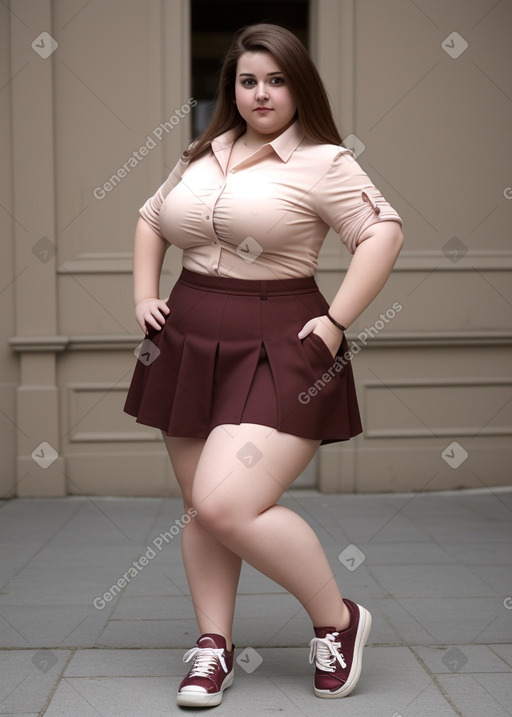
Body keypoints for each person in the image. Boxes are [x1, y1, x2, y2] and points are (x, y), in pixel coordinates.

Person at [124, 22, 403, 709]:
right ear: (232, 89)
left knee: (228, 501)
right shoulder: (203, 152)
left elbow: (383, 231)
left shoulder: (326, 161)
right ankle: (213, 645)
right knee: (202, 510)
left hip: (283, 343)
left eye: (275, 79)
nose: (260, 93)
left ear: (298, 85)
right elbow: (152, 218)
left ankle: (339, 620)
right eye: (248, 80)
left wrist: (336, 322)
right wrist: (143, 294)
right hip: (189, 339)